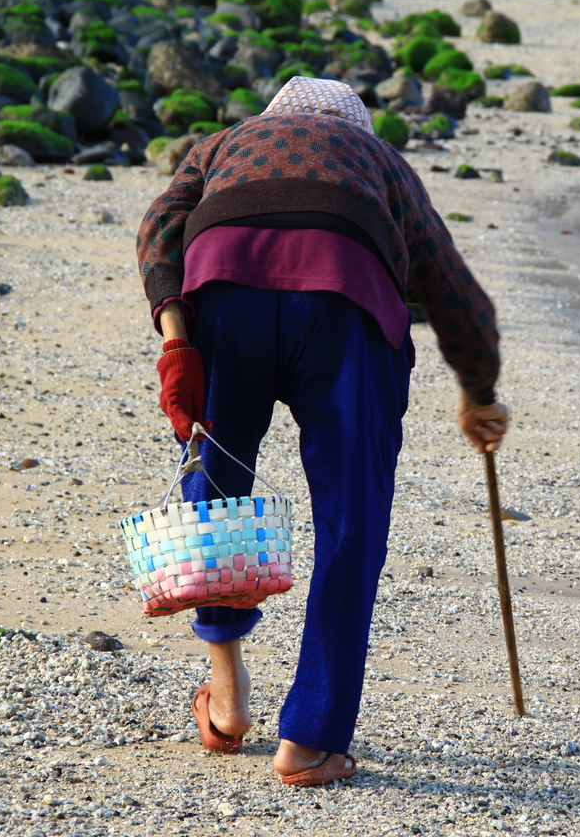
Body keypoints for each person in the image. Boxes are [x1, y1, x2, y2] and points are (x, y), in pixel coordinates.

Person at [136, 77, 509, 785]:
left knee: (216, 491)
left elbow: (159, 226)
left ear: (271, 118)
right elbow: (452, 288)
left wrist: (176, 336)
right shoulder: (380, 161)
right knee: (350, 520)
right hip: (344, 309)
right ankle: (310, 742)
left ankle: (226, 695)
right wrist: (479, 391)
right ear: (358, 131)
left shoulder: (223, 142)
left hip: (224, 297)